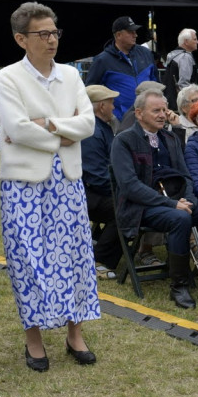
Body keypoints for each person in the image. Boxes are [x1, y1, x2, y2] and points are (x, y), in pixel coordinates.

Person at [0, 1, 99, 371]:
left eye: (55, 32)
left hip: (67, 182)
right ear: (21, 39)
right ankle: (34, 340)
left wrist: (47, 125)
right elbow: (16, 126)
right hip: (24, 183)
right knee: (28, 259)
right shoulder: (7, 77)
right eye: (43, 34)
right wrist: (63, 132)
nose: (52, 39)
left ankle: (75, 333)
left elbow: (87, 123)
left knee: (74, 256)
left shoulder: (71, 75)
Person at [112, 90, 198, 307]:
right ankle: (179, 286)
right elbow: (130, 186)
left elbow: (186, 175)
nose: (162, 115)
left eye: (164, 110)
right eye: (156, 111)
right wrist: (172, 204)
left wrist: (188, 199)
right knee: (180, 218)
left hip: (178, 200)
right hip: (141, 207)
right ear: (139, 113)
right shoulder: (124, 141)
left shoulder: (170, 138)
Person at [81, 84, 123, 279]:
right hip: (89, 194)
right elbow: (96, 176)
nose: (114, 107)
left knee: (130, 205)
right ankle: (99, 260)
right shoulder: (91, 132)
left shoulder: (101, 128)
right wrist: (123, 191)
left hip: (99, 190)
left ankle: (97, 246)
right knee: (125, 210)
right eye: (111, 103)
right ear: (101, 106)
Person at [86, 16, 159, 120]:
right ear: (118, 35)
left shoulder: (146, 54)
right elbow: (91, 91)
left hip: (148, 117)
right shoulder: (102, 60)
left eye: (135, 31)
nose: (135, 35)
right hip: (120, 121)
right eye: (131, 32)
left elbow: (156, 82)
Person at [163, 27, 198, 101]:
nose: (197, 42)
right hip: (181, 103)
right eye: (195, 39)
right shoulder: (185, 57)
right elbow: (184, 84)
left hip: (171, 99)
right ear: (186, 42)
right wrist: (190, 101)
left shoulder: (175, 55)